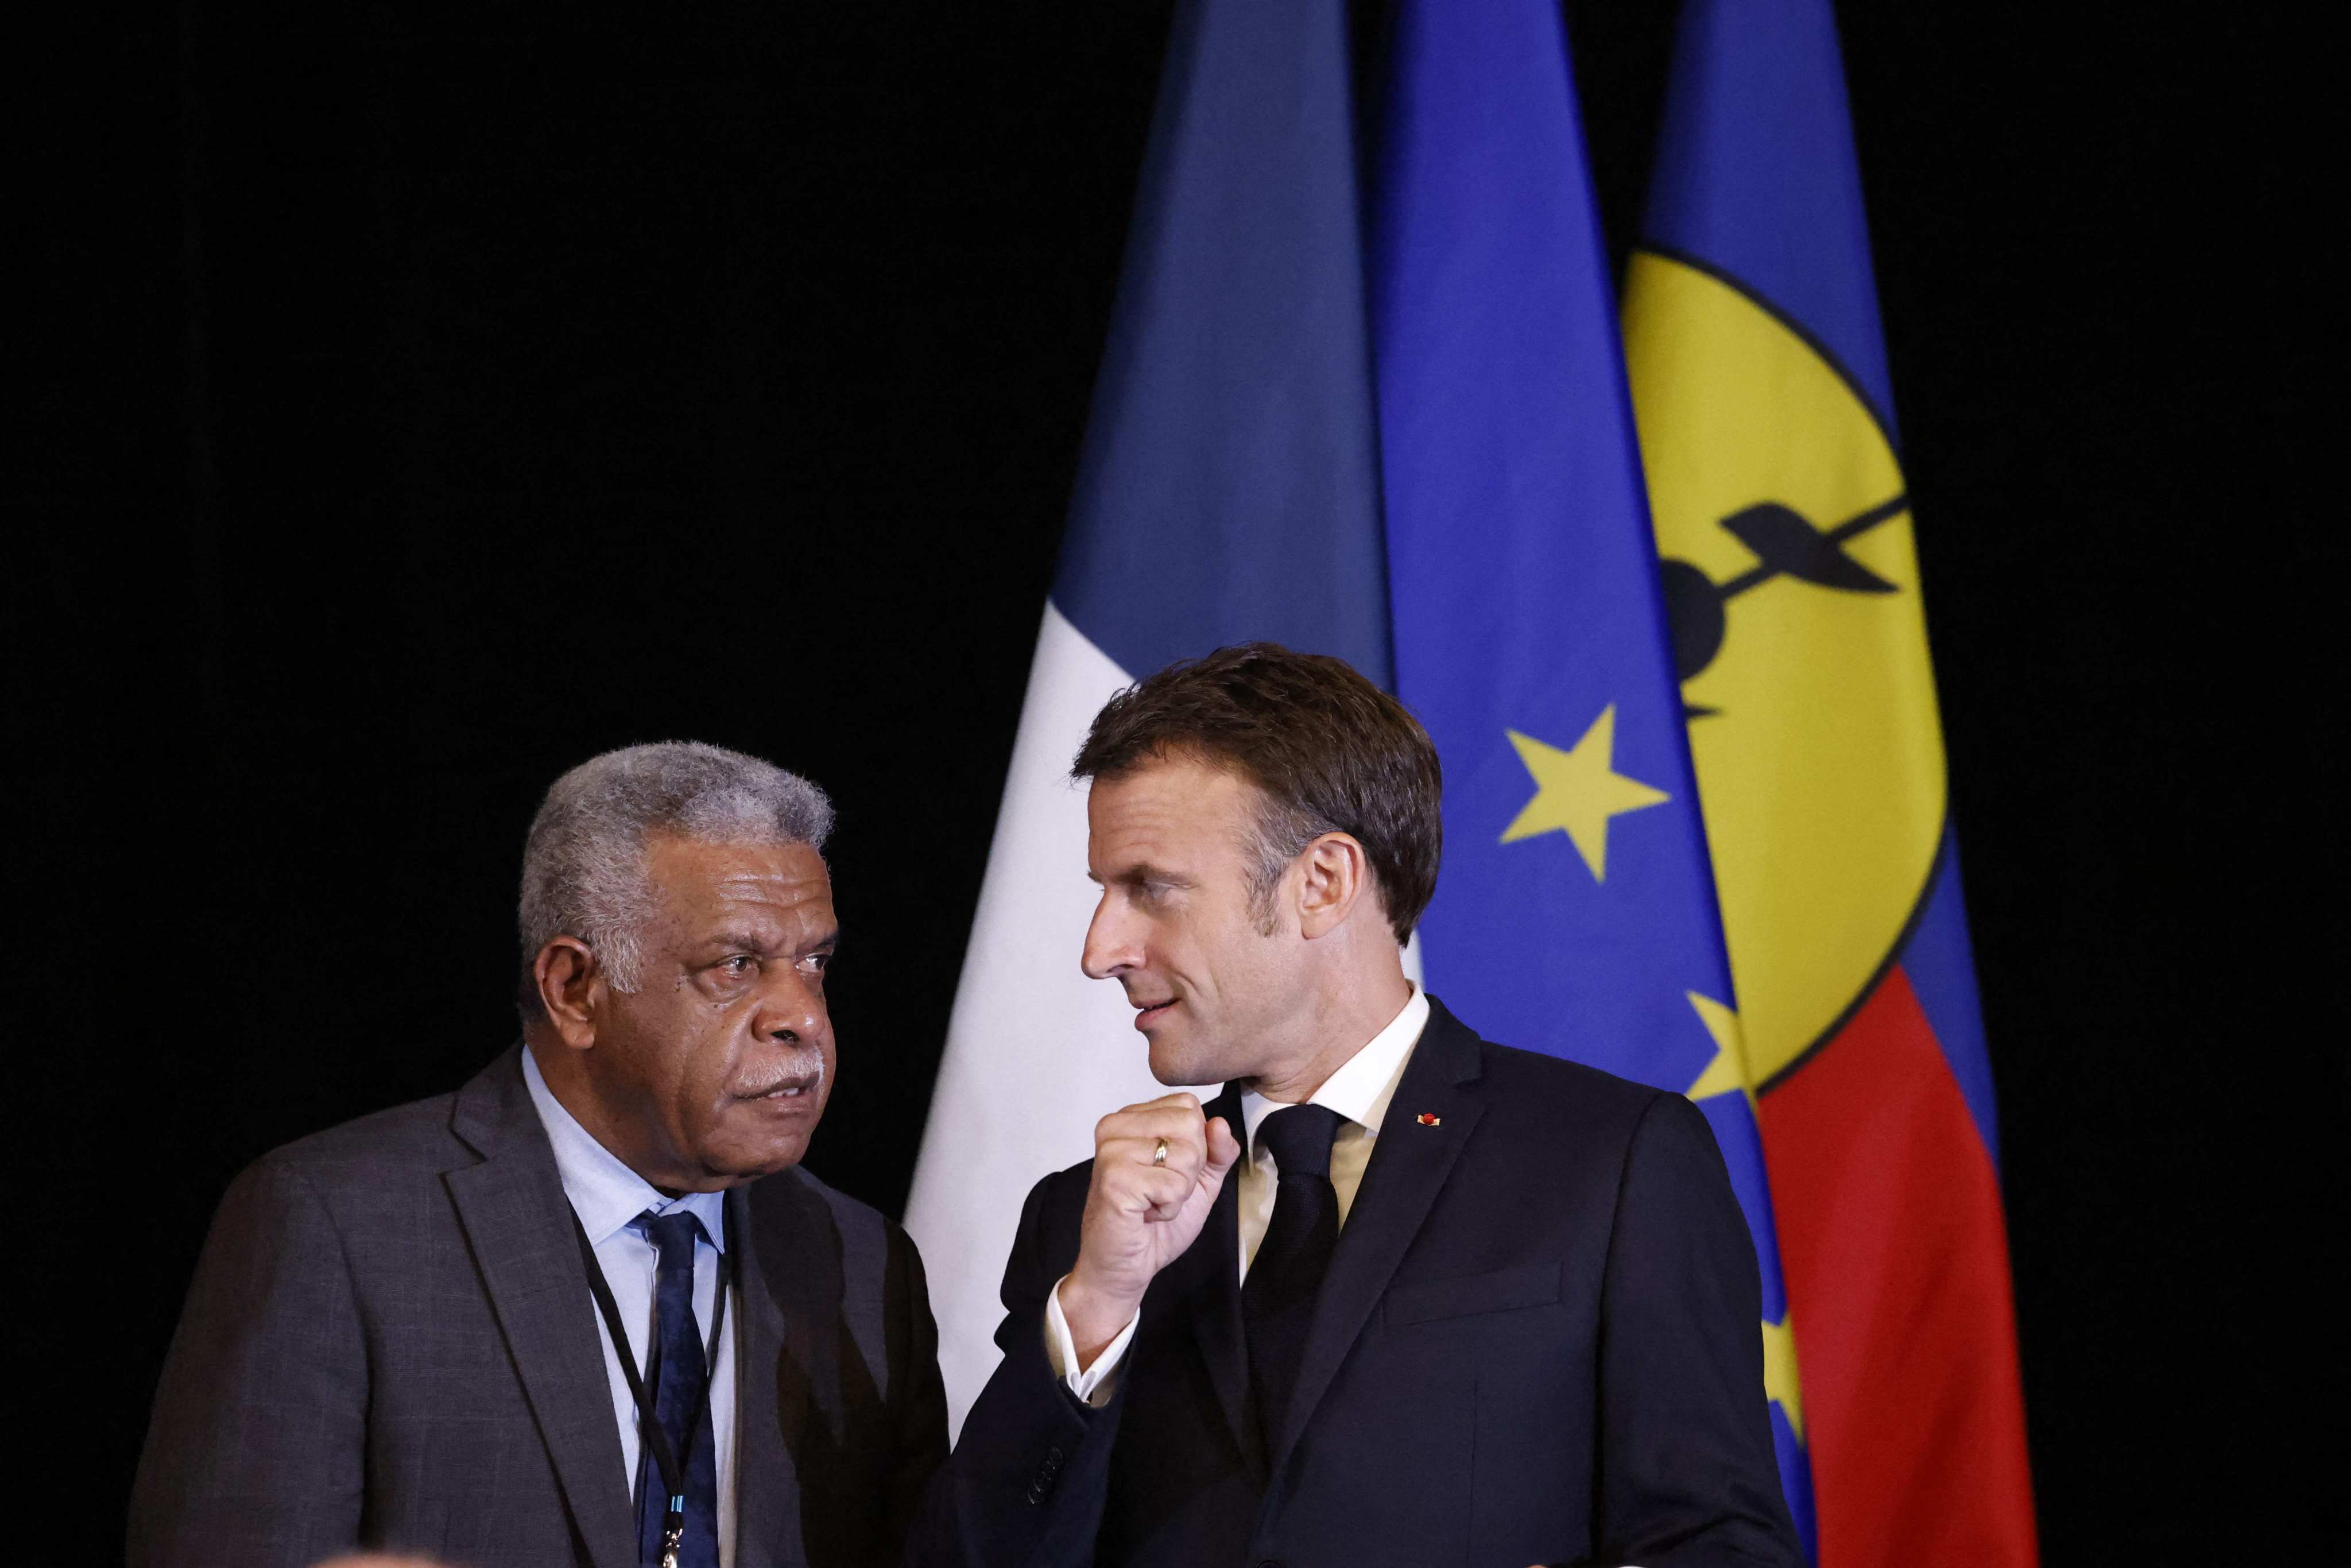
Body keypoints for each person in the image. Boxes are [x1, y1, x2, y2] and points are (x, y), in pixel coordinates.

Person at [940, 645, 1803, 1568]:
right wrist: (1098, 1309)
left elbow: (1722, 1547)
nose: (1100, 949)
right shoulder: (1084, 1226)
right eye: (1103, 893)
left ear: (1322, 883)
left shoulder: (1613, 1163)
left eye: (1150, 889)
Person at [131, 743, 947, 1568]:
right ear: (574, 991)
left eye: (814, 963)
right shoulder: (337, 1228)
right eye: (735, 966)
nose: (803, 1017)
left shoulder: (860, 1262)